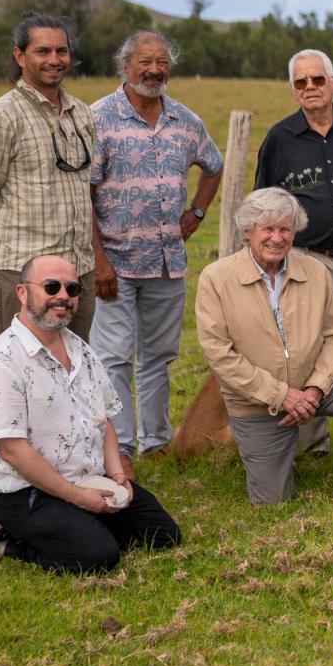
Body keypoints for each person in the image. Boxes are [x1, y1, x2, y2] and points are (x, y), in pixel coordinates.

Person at [0, 254, 181, 573]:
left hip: (88, 478)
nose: (63, 297)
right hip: (28, 492)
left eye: (72, 289)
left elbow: (103, 418)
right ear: (23, 293)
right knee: (97, 557)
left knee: (164, 536)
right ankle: (10, 538)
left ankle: (77, 525)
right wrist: (78, 498)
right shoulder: (1, 363)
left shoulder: (81, 349)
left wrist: (118, 476)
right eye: (51, 287)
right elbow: (13, 452)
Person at [194, 187, 333, 505]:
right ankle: (276, 457)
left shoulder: (315, 272)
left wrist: (314, 389)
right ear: (248, 232)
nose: (277, 237)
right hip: (255, 402)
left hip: (314, 385)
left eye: (285, 229)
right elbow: (219, 355)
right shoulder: (216, 278)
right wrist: (281, 396)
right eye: (267, 228)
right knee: (272, 501)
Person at [88, 29, 223, 460]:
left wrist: (197, 212)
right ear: (125, 66)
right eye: (145, 61)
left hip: (167, 262)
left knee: (158, 356)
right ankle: (120, 446)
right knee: (112, 357)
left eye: (162, 62)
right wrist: (98, 261)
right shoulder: (98, 119)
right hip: (115, 264)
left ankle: (156, 441)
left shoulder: (185, 120)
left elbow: (213, 167)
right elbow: (82, 195)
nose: (154, 70)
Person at [253, 49, 333, 408]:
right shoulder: (279, 139)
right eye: (301, 82)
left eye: (317, 79)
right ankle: (311, 443)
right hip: (304, 262)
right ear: (294, 90)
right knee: (302, 350)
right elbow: (262, 206)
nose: (310, 86)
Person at [0, 12, 98, 340]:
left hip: (78, 272)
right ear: (20, 56)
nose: (54, 60)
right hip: (24, 274)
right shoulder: (2, 117)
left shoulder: (81, 113)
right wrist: (3, 266)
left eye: (61, 51)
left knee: (73, 371)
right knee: (21, 373)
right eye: (42, 51)